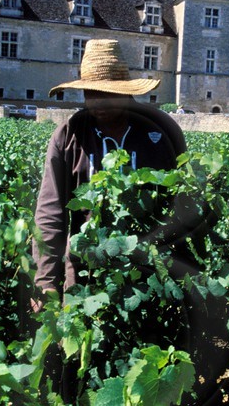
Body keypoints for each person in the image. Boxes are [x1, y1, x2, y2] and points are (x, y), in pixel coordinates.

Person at [33, 39, 188, 295]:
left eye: (106, 93)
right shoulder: (68, 136)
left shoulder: (162, 129)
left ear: (125, 90)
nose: (97, 102)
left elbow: (181, 203)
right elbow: (50, 213)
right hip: (87, 272)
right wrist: (46, 280)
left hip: (150, 272)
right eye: (90, 93)